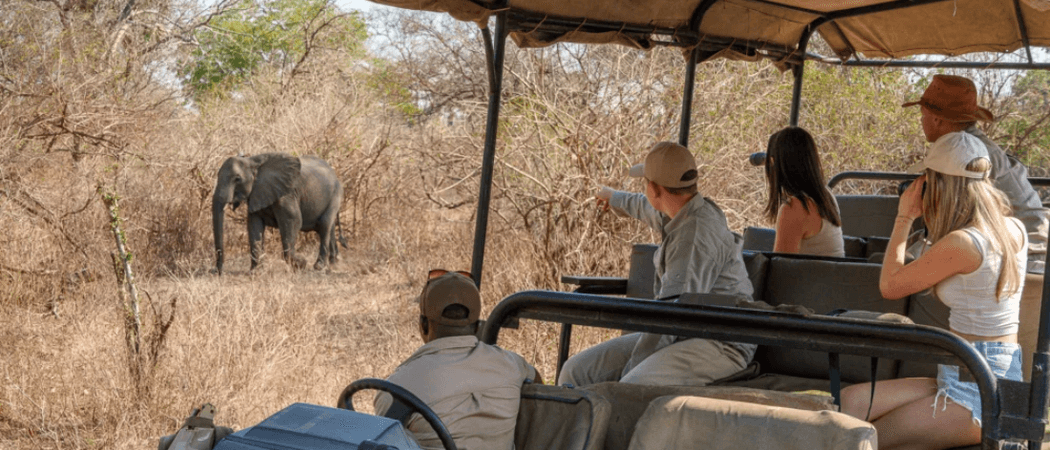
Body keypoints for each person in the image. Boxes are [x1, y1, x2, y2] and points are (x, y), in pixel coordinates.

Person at [840, 132, 1026, 449]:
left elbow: (890, 286)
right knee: (851, 401)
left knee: (866, 441)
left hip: (983, 387)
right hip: (964, 372)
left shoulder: (964, 243)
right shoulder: (1013, 228)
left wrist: (904, 216)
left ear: (938, 183)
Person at [556, 141, 755, 387]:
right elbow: (645, 207)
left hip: (720, 342)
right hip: (686, 331)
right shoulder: (684, 210)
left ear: (653, 188)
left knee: (629, 388)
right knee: (576, 371)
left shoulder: (692, 237)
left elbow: (671, 318)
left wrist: (629, 371)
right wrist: (615, 198)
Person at [374, 269, 541, 450]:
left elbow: (381, 439)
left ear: (423, 325)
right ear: (477, 326)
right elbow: (538, 387)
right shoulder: (512, 365)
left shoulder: (398, 386)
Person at [902, 74, 1048, 273]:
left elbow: (951, 224)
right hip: (1024, 246)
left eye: (922, 114)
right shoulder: (971, 145)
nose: (921, 120)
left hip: (1023, 257)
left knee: (902, 267)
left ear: (936, 119)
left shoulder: (961, 152)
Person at [763, 126, 844, 257]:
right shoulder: (826, 195)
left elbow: (780, 269)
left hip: (812, 277)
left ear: (773, 162)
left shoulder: (795, 207)